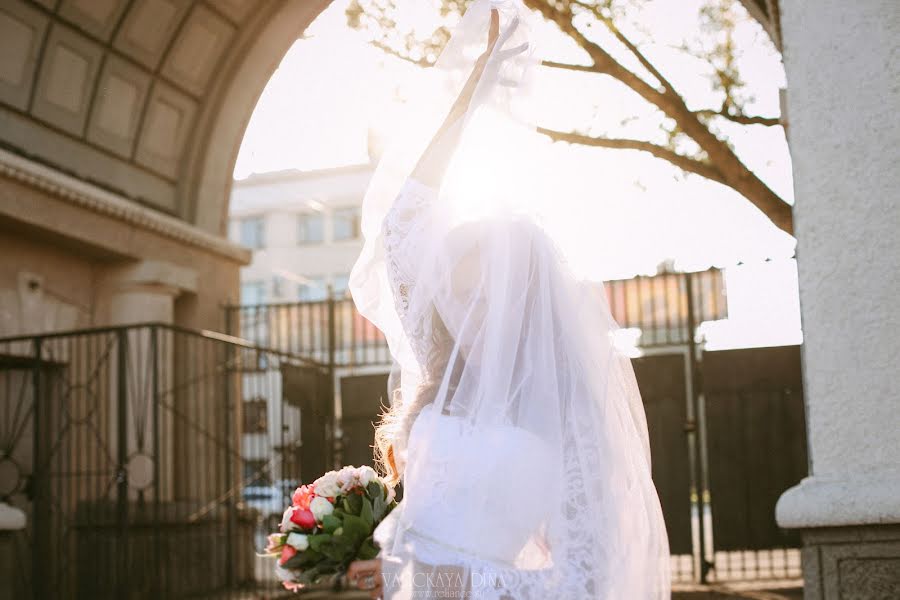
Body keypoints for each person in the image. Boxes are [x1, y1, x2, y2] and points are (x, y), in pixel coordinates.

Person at [346, 1, 670, 598]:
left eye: (490, 292)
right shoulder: (443, 367)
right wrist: (473, 86)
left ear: (529, 297)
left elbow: (590, 577)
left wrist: (444, 581)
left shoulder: (572, 409)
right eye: (460, 291)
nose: (471, 309)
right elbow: (402, 223)